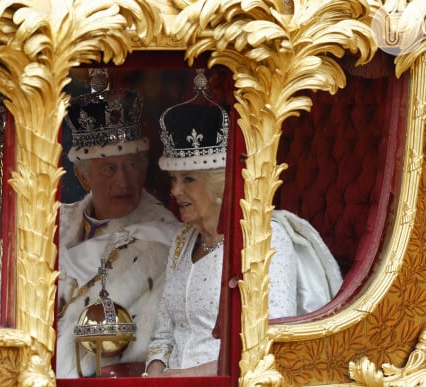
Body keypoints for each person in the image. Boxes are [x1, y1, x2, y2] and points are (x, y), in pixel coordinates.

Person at [145, 70, 343, 377]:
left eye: (188, 180)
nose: (174, 191)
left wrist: (188, 378)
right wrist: (154, 377)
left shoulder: (264, 236)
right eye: (173, 179)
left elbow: (269, 344)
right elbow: (163, 335)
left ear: (220, 185)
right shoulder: (183, 239)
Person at [56, 70, 180, 378]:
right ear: (84, 177)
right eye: (109, 169)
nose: (123, 181)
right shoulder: (54, 223)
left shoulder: (167, 238)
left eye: (132, 166)